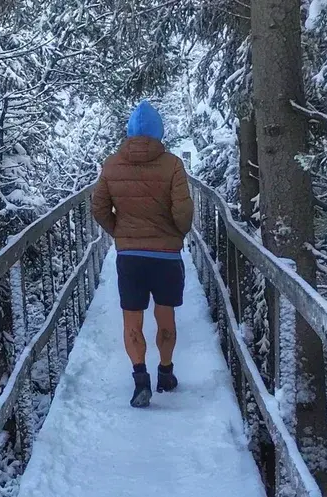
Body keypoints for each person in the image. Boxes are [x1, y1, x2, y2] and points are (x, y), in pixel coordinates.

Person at [90, 100, 194, 408]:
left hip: (130, 257)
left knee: (131, 322)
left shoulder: (111, 164)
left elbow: (98, 208)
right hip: (166, 258)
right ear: (158, 132)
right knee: (165, 316)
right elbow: (183, 212)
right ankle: (165, 373)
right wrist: (177, 233)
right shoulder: (173, 164)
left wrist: (121, 233)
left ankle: (140, 381)